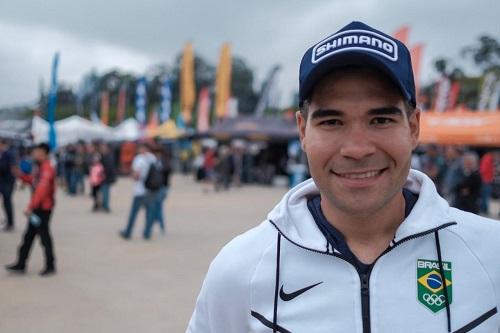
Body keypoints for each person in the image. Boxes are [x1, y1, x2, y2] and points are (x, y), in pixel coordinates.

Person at [187, 21, 500, 333]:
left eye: (380, 119)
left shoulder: (491, 254)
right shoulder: (241, 271)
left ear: (414, 127)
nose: (357, 149)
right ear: (302, 131)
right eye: (332, 122)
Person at [5, 143, 57, 276]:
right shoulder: (39, 168)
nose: (34, 154)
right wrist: (20, 175)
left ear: (43, 153)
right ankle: (21, 263)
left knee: (44, 237)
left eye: (37, 152)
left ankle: (50, 265)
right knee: (29, 236)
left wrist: (30, 207)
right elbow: (33, 181)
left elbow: (41, 190)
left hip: (42, 209)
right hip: (38, 208)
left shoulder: (47, 169)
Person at [119, 142, 157, 240]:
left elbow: (136, 176)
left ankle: (128, 232)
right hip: (151, 189)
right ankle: (147, 233)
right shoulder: (152, 158)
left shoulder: (139, 159)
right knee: (149, 213)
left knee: (134, 213)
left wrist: (131, 174)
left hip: (140, 190)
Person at [0, 139, 17, 231]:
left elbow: (10, 167)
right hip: (4, 181)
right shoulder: (5, 154)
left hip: (7, 181)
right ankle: (8, 221)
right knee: (6, 203)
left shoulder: (8, 154)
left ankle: (10, 223)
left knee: (7, 203)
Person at [99, 142, 117, 212]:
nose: (102, 149)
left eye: (103, 148)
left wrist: (103, 173)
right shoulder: (103, 156)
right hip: (104, 177)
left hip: (106, 177)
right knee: (104, 191)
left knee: (105, 192)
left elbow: (109, 168)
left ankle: (106, 206)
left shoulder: (109, 157)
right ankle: (104, 205)